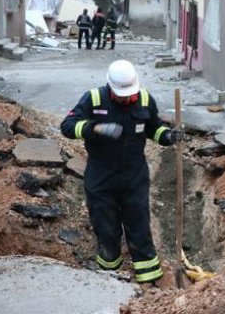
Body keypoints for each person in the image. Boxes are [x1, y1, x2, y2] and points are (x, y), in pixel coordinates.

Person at [60, 60, 184, 285]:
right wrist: (93, 128)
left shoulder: (145, 99)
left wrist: (168, 136)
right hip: (101, 176)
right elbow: (67, 126)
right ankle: (109, 278)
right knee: (106, 229)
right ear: (110, 87)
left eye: (129, 94)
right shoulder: (94, 99)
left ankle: (150, 281)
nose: (126, 99)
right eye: (121, 95)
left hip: (134, 176)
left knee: (139, 226)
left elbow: (153, 128)